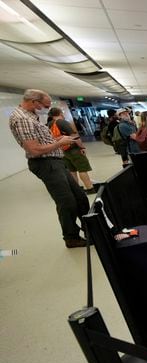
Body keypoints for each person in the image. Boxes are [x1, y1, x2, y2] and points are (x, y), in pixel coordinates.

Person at [9, 89, 89, 248]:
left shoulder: (31, 116)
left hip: (56, 161)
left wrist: (57, 139)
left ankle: (91, 229)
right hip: (46, 164)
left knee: (80, 198)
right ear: (34, 102)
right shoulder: (22, 119)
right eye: (44, 105)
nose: (46, 108)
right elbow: (34, 150)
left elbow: (41, 140)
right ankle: (71, 237)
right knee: (67, 203)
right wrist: (59, 143)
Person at [47, 107, 95, 194]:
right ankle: (90, 188)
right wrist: (82, 147)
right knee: (82, 169)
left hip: (62, 150)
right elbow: (74, 136)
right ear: (60, 113)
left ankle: (77, 190)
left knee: (72, 171)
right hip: (73, 149)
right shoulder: (62, 122)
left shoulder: (50, 124)